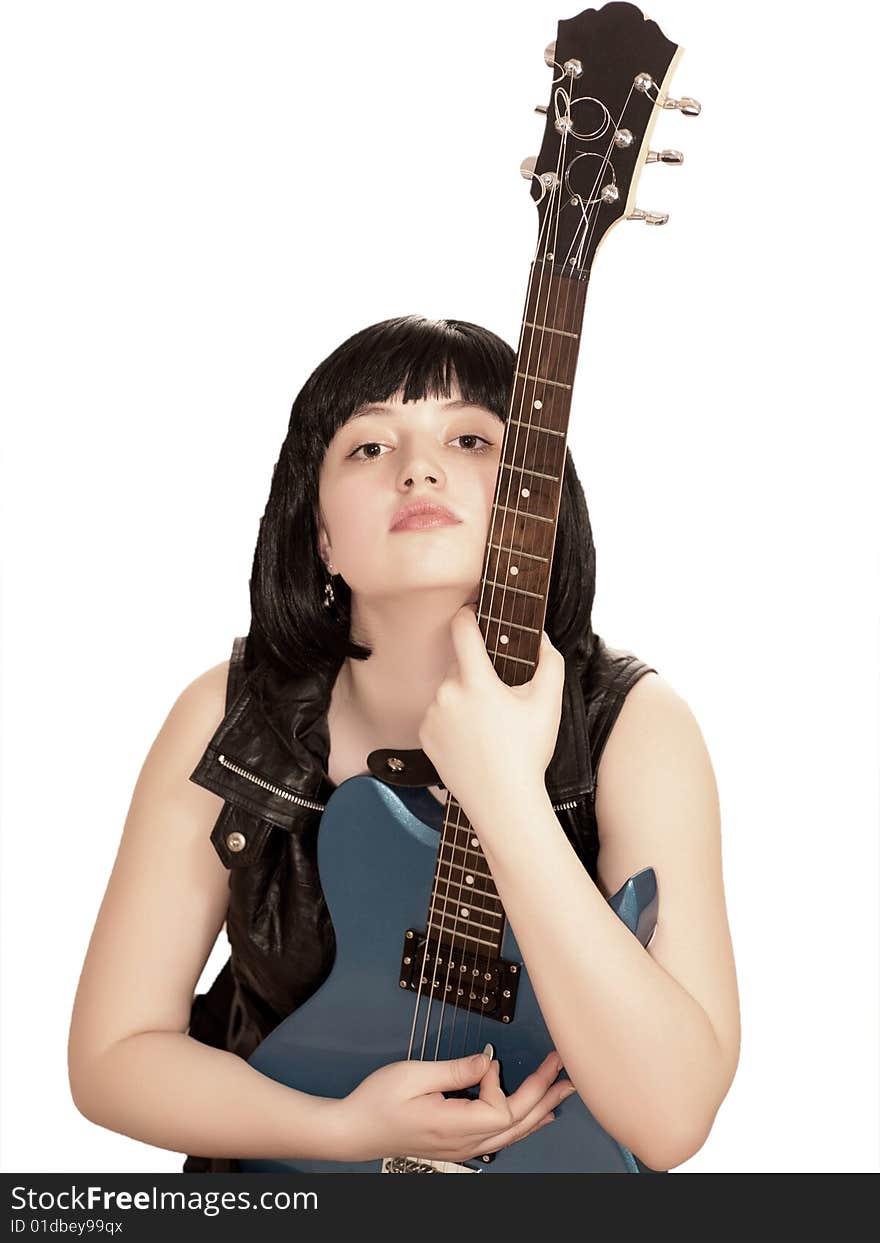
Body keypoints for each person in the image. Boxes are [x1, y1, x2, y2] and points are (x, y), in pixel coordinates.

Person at [67, 315, 740, 1174]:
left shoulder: (636, 726)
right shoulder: (230, 718)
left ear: (538, 502)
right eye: (368, 448)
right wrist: (342, 1130)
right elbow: (112, 1056)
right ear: (320, 534)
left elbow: (673, 1117)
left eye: (468, 437)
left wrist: (502, 791)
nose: (419, 467)